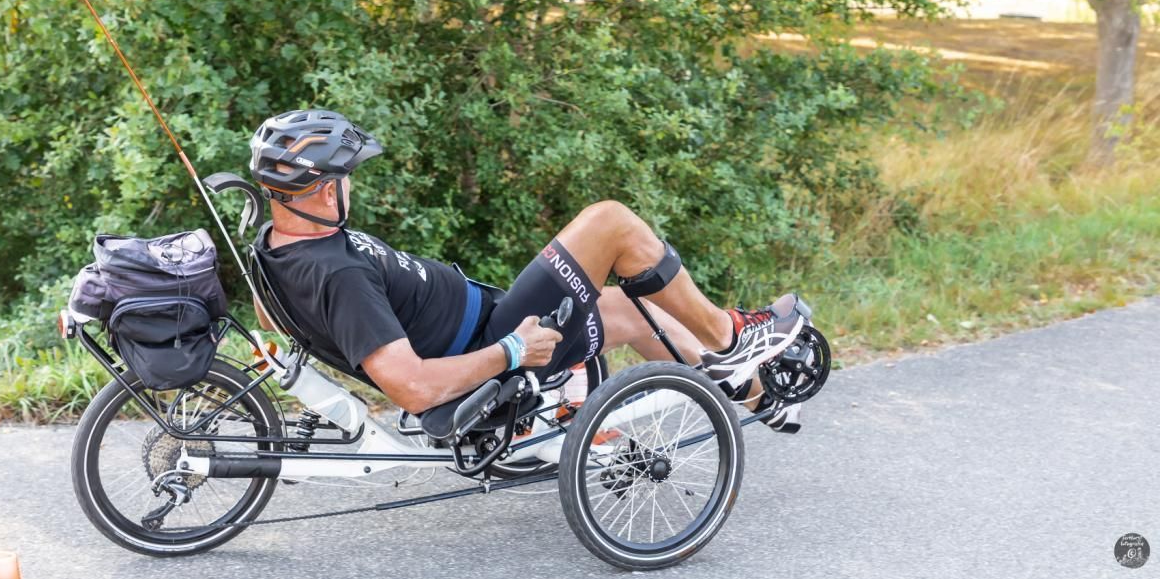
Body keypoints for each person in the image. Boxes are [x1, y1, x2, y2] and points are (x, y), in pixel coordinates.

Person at [249, 109, 811, 432]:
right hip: (496, 350)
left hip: (488, 322)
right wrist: (512, 353)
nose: (353, 184)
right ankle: (731, 336)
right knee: (610, 222)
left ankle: (758, 396)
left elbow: (271, 314)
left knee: (630, 309)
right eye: (346, 177)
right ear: (322, 192)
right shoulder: (334, 275)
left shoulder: (279, 246)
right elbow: (415, 389)